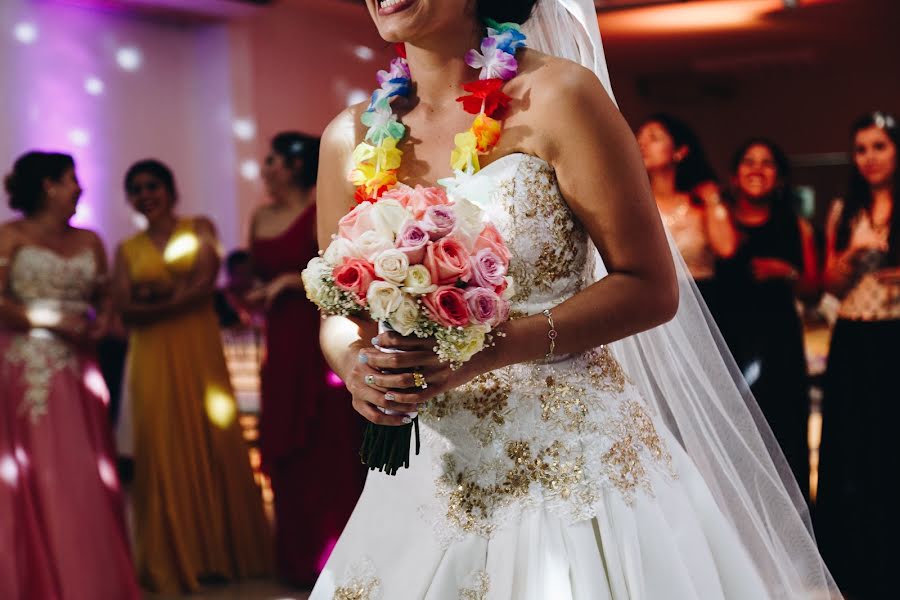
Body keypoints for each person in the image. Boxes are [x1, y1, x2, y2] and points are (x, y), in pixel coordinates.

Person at [309, 0, 837, 598]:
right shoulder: (347, 139)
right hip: (429, 470)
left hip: (570, 465)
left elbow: (650, 287)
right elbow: (338, 309)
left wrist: (493, 349)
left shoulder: (560, 96)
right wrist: (355, 365)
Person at [112, 159, 272, 593]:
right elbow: (123, 307)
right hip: (150, 357)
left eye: (153, 185)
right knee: (161, 446)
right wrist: (168, 299)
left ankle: (222, 556)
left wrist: (154, 299)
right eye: (137, 188)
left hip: (198, 349)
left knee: (211, 436)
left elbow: (204, 284)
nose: (146, 194)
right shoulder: (127, 249)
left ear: (170, 188)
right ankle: (175, 559)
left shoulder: (200, 227)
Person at [0, 151, 140, 599]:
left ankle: (90, 578)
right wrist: (47, 322)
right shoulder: (10, 236)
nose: (78, 188)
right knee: (44, 470)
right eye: (70, 179)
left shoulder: (91, 241)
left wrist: (102, 321)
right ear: (48, 185)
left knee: (85, 470)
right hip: (29, 369)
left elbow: (106, 297)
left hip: (83, 368)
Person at [249, 132, 363, 588]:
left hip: (316, 330)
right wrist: (259, 293)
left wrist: (289, 284)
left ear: (295, 165)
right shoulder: (260, 216)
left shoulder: (322, 210)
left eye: (272, 160)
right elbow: (260, 273)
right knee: (284, 440)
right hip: (280, 338)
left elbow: (341, 269)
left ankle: (336, 556)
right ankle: (295, 561)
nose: (266, 169)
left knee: (327, 439)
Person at [816, 111, 900, 599]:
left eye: (880, 147)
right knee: (852, 452)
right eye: (862, 148)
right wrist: (848, 261)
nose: (869, 158)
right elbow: (829, 285)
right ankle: (855, 566)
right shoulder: (845, 210)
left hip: (894, 336)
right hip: (854, 337)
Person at [720, 138, 819, 500]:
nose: (757, 169)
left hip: (780, 343)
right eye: (749, 161)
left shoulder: (796, 226)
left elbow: (813, 289)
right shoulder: (720, 223)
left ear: (779, 178)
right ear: (734, 175)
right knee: (735, 429)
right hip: (731, 338)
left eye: (767, 163)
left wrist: (786, 273)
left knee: (785, 429)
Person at [636, 113, 738, 296]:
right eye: (639, 138)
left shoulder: (701, 204)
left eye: (654, 137)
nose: (642, 144)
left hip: (703, 299)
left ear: (680, 151)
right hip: (650, 300)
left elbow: (726, 248)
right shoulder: (635, 203)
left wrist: (712, 201)